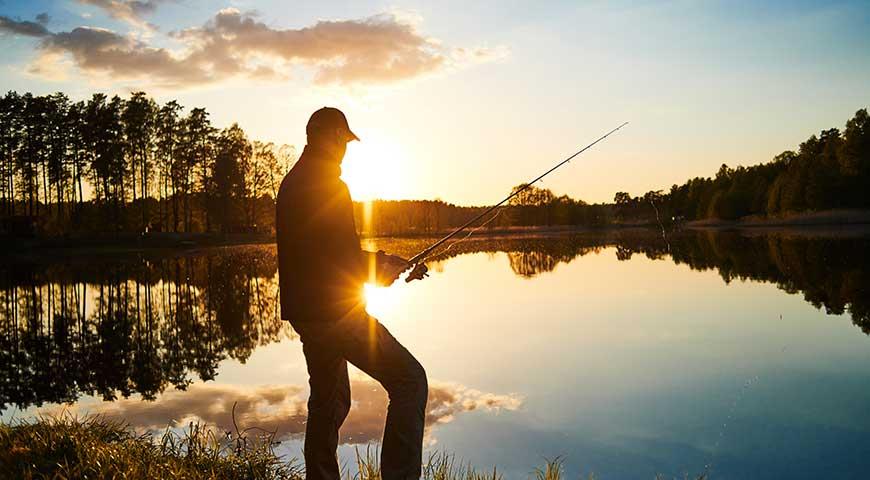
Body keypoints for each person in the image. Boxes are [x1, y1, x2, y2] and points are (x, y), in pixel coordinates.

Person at [276, 107, 428, 480]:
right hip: (334, 314)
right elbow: (341, 257)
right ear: (326, 137)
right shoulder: (326, 185)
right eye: (343, 140)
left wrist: (385, 267)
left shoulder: (294, 181)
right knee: (410, 380)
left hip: (307, 313)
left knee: (329, 401)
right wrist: (385, 265)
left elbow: (327, 255)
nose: (345, 149)